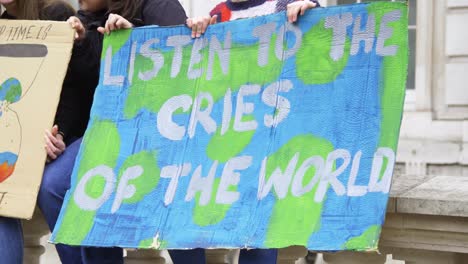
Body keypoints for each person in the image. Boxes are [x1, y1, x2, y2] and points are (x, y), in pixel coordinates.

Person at [37, 0, 188, 263]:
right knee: (52, 186)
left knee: (178, 220)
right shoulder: (85, 20)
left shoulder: (159, 6)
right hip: (105, 136)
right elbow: (84, 90)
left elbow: (182, 67)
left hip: (163, 137)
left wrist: (136, 40)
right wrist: (60, 134)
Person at [171, 1, 320, 263]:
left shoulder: (281, 5)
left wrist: (310, 7)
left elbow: (322, 32)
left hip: (267, 145)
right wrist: (199, 29)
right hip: (223, 143)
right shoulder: (219, 14)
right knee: (182, 220)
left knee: (258, 234)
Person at [0, 1, 76, 263]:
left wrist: (61, 134)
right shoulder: (4, 24)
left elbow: (74, 92)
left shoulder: (58, 16)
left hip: (51, 145)